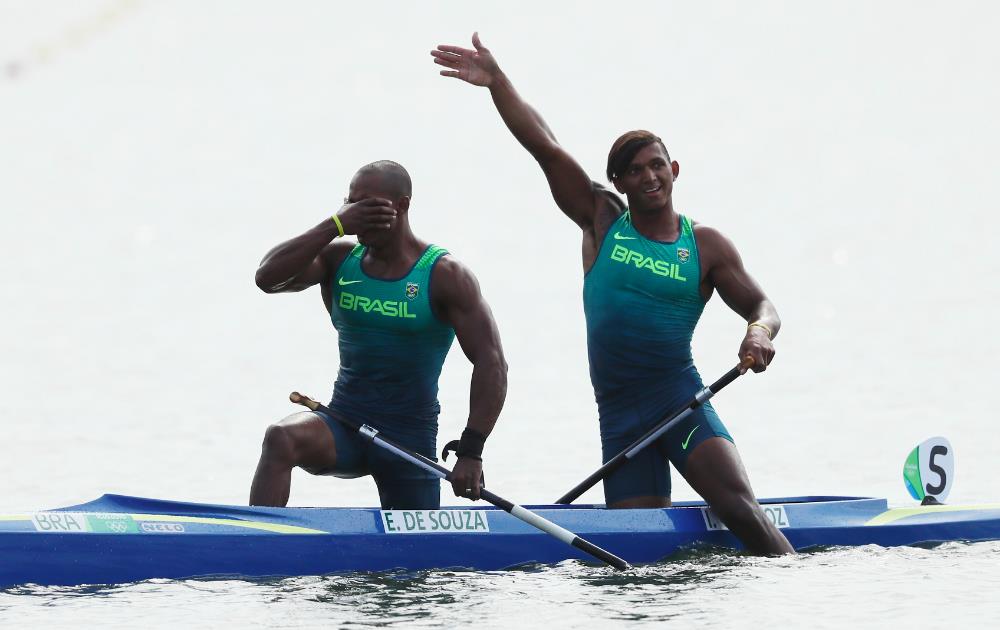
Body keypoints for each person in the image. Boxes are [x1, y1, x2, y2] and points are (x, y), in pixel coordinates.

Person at [431, 34, 793, 554]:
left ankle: (791, 575)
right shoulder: (603, 220)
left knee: (739, 510)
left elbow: (764, 306)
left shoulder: (705, 245)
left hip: (680, 402)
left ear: (674, 170)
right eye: (635, 170)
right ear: (619, 182)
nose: (648, 176)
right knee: (638, 565)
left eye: (656, 165)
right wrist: (498, 82)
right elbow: (545, 147)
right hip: (619, 415)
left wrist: (758, 331)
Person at [249, 160, 507, 509]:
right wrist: (334, 225)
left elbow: (491, 363)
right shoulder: (338, 260)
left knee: (418, 561)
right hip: (344, 422)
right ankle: (262, 541)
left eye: (369, 204)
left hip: (408, 439)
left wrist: (472, 451)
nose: (358, 212)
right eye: (352, 203)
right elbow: (267, 278)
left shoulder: (445, 275)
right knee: (280, 438)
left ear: (402, 206)